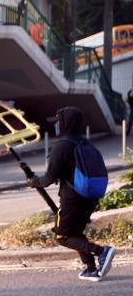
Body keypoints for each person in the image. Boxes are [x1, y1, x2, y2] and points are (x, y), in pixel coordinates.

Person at [26, 107, 116, 282]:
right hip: (90, 196)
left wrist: (33, 182)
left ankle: (101, 251)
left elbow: (48, 178)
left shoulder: (62, 146)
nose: (56, 126)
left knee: (63, 236)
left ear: (65, 123)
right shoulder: (85, 143)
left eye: (58, 122)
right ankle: (91, 268)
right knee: (75, 232)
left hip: (72, 198)